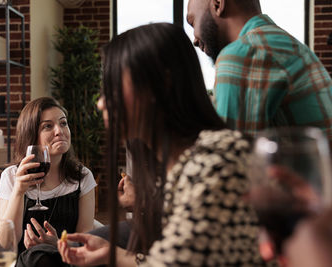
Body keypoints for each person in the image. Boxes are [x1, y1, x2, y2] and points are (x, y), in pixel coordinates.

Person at [57, 22, 273, 266]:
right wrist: (112, 254)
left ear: (160, 84)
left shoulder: (216, 164)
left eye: (112, 87)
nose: (100, 104)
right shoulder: (182, 163)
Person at [186, 0, 332, 140]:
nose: (195, 40)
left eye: (193, 23)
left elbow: (229, 160)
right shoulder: (288, 45)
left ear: (218, 4)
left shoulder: (244, 53)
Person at [0, 97, 96, 266]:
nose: (60, 131)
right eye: (48, 126)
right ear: (31, 135)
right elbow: (5, 243)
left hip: (64, 259)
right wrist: (19, 191)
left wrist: (58, 244)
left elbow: (85, 240)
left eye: (63, 123)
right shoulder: (11, 176)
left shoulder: (82, 177)